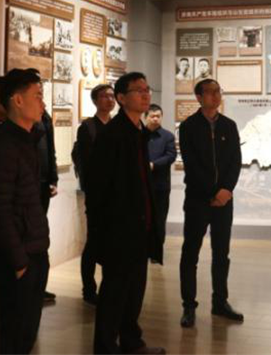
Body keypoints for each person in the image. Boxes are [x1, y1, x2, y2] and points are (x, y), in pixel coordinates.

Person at [88, 73, 164, 354]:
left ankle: (132, 342)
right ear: (121, 98)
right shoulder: (112, 135)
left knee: (134, 290)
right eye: (138, 90)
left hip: (139, 226)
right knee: (115, 292)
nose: (145, 95)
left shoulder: (139, 132)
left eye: (147, 89)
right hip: (119, 230)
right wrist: (103, 231)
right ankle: (106, 347)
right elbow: (98, 188)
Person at [0, 68, 50, 354]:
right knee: (14, 334)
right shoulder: (5, 145)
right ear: (18, 101)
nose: (42, 103)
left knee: (26, 334)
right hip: (20, 256)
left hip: (34, 249)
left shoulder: (27, 139)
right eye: (37, 96)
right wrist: (19, 261)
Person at [178, 79, 243, 328]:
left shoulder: (229, 125)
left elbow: (235, 161)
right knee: (190, 253)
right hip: (198, 199)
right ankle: (188, 305)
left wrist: (226, 190)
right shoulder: (188, 127)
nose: (215, 96)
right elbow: (192, 165)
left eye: (218, 91)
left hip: (224, 201)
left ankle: (220, 301)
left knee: (221, 253)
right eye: (209, 92)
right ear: (198, 97)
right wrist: (213, 193)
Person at [75, 84, 116, 304]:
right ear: (95, 100)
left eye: (111, 96)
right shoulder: (88, 127)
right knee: (93, 242)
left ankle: (109, 288)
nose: (109, 100)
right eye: (104, 96)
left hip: (116, 194)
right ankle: (89, 289)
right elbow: (86, 163)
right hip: (97, 195)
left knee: (112, 243)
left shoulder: (117, 125)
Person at [33, 108, 59, 303]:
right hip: (32, 183)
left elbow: (51, 149)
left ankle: (39, 286)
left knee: (41, 234)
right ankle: (34, 286)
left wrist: (53, 178)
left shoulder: (45, 117)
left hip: (43, 183)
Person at [144, 104, 177, 258]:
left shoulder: (167, 136)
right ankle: (142, 251)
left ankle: (156, 253)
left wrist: (153, 165)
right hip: (141, 185)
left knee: (159, 220)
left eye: (158, 116)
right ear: (146, 117)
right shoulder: (139, 135)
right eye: (152, 116)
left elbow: (171, 156)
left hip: (160, 186)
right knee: (142, 219)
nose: (155, 119)